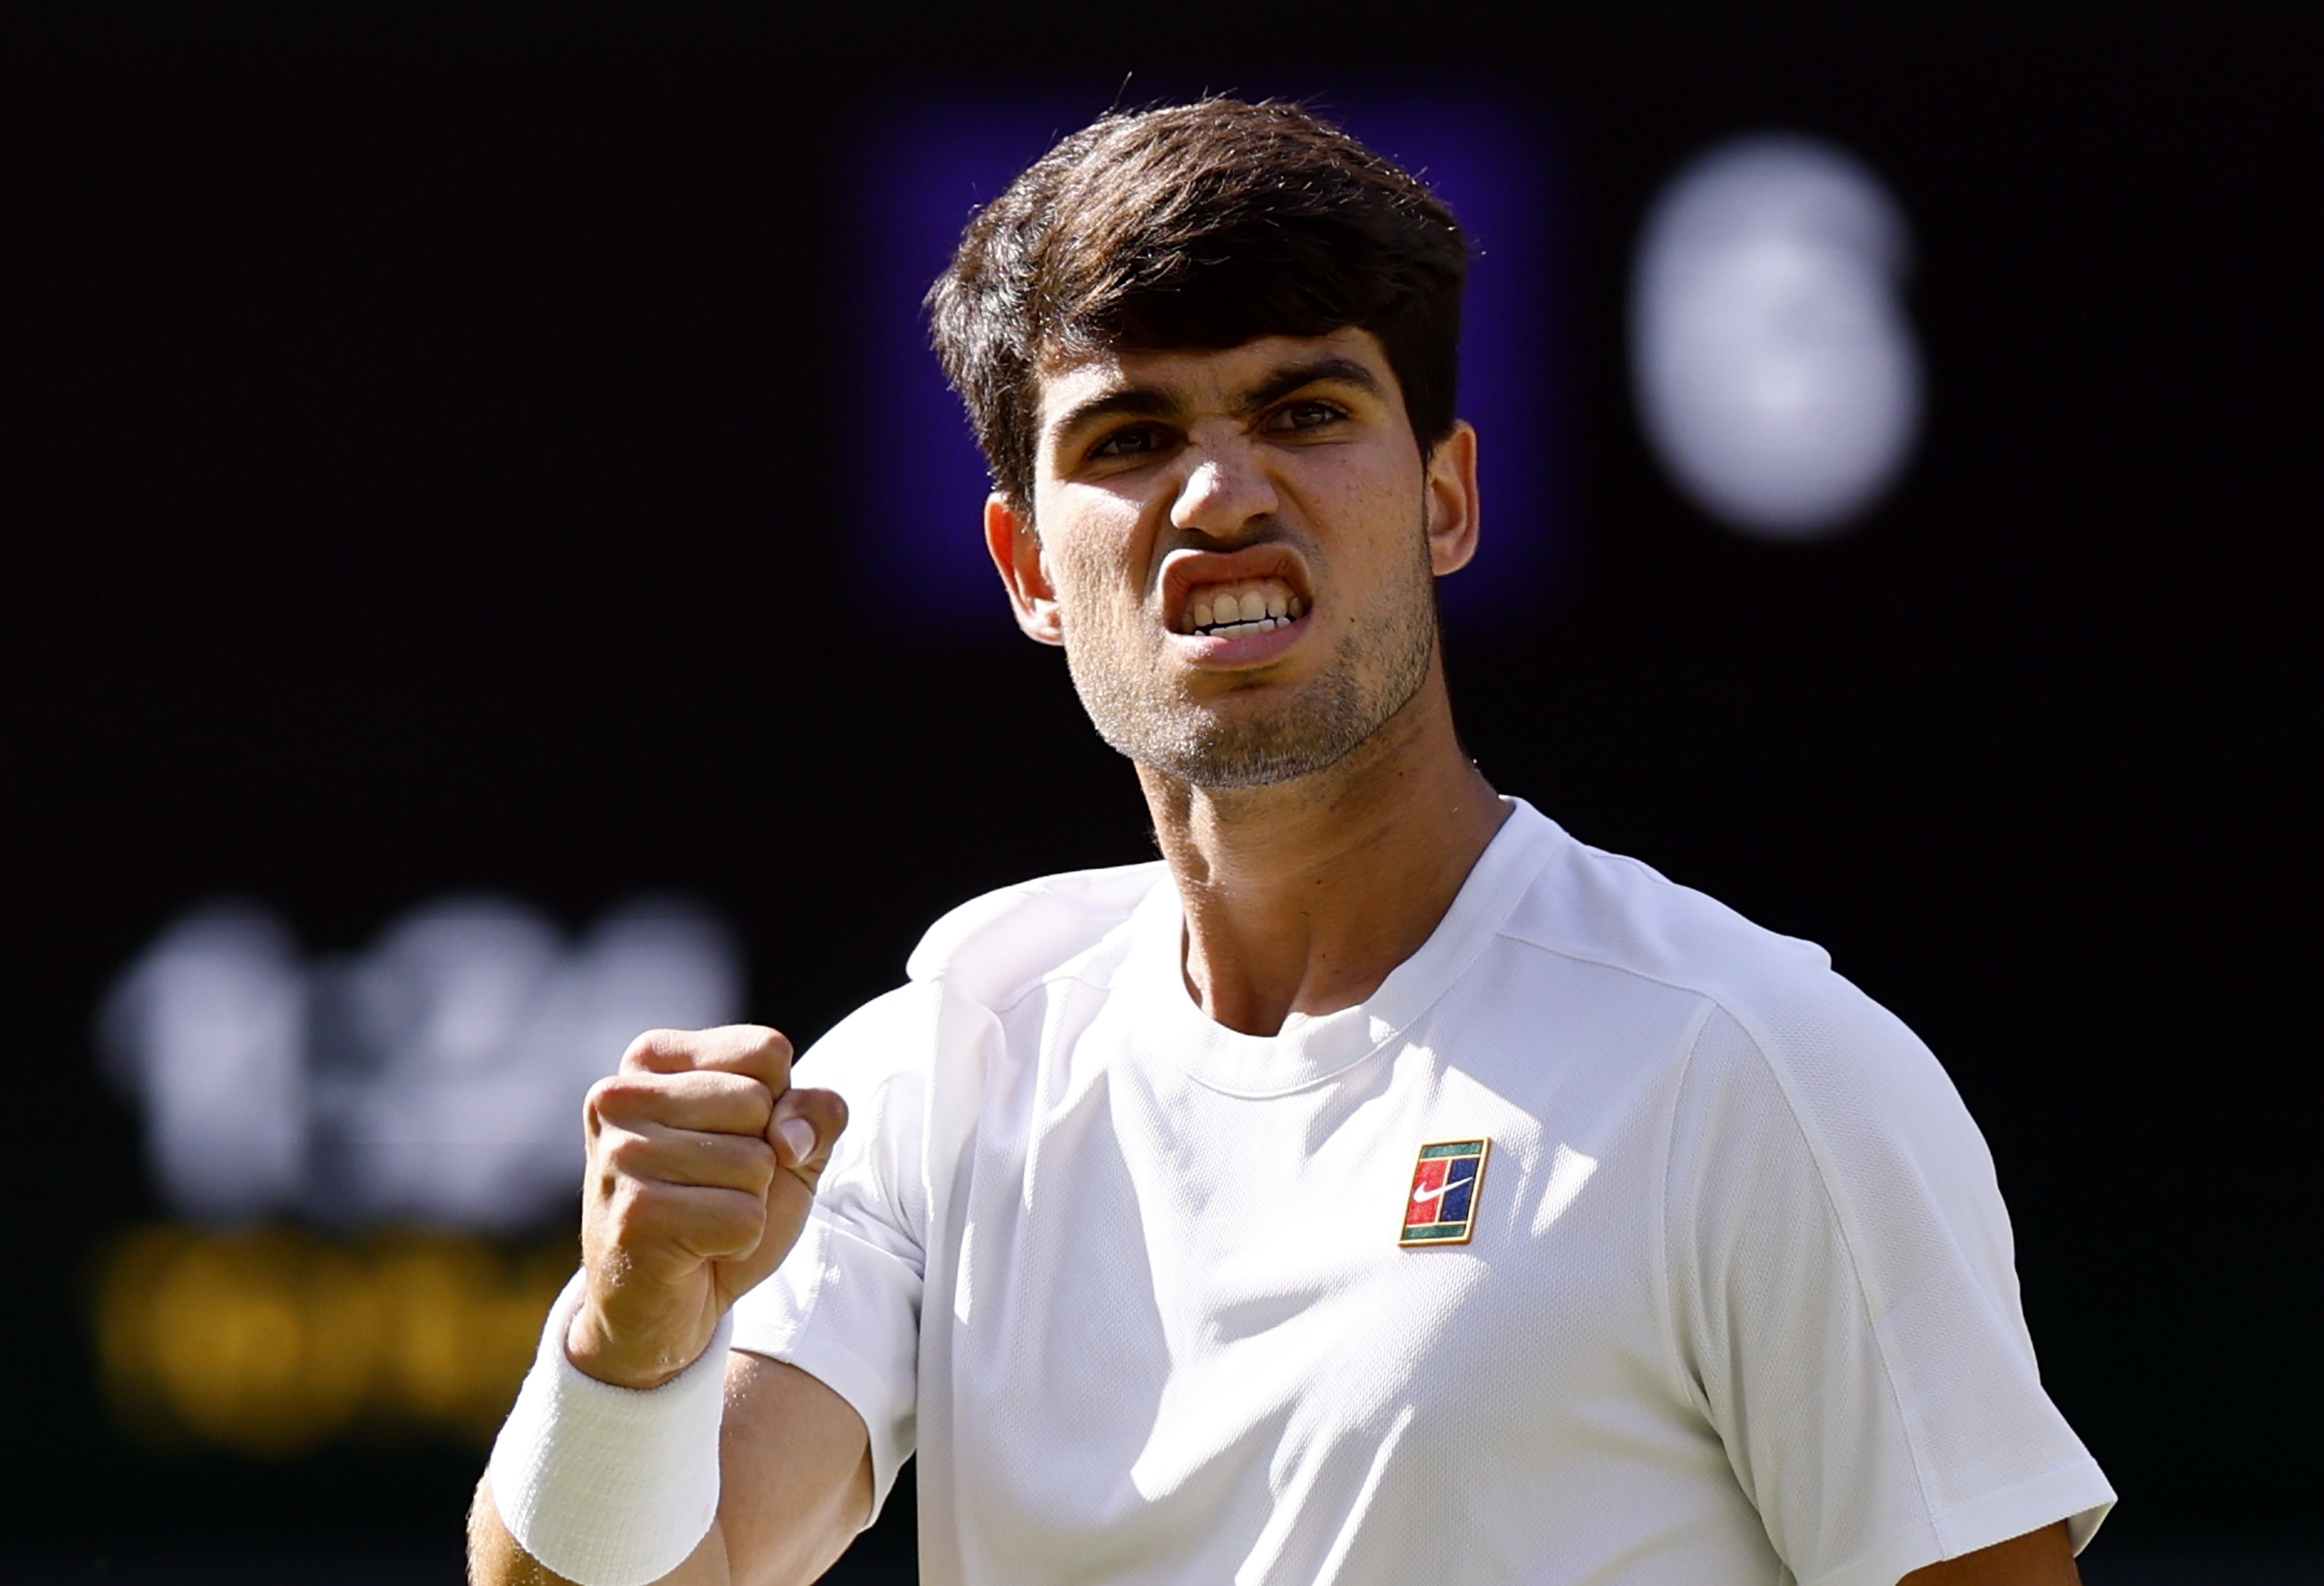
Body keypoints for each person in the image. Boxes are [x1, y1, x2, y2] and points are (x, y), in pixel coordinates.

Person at [471, 99, 2114, 1586]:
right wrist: (631, 1334)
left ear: (1448, 500)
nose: (1222, 494)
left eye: (1306, 410)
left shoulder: (1751, 1065)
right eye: (1129, 439)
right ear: (1029, 571)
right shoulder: (943, 1069)